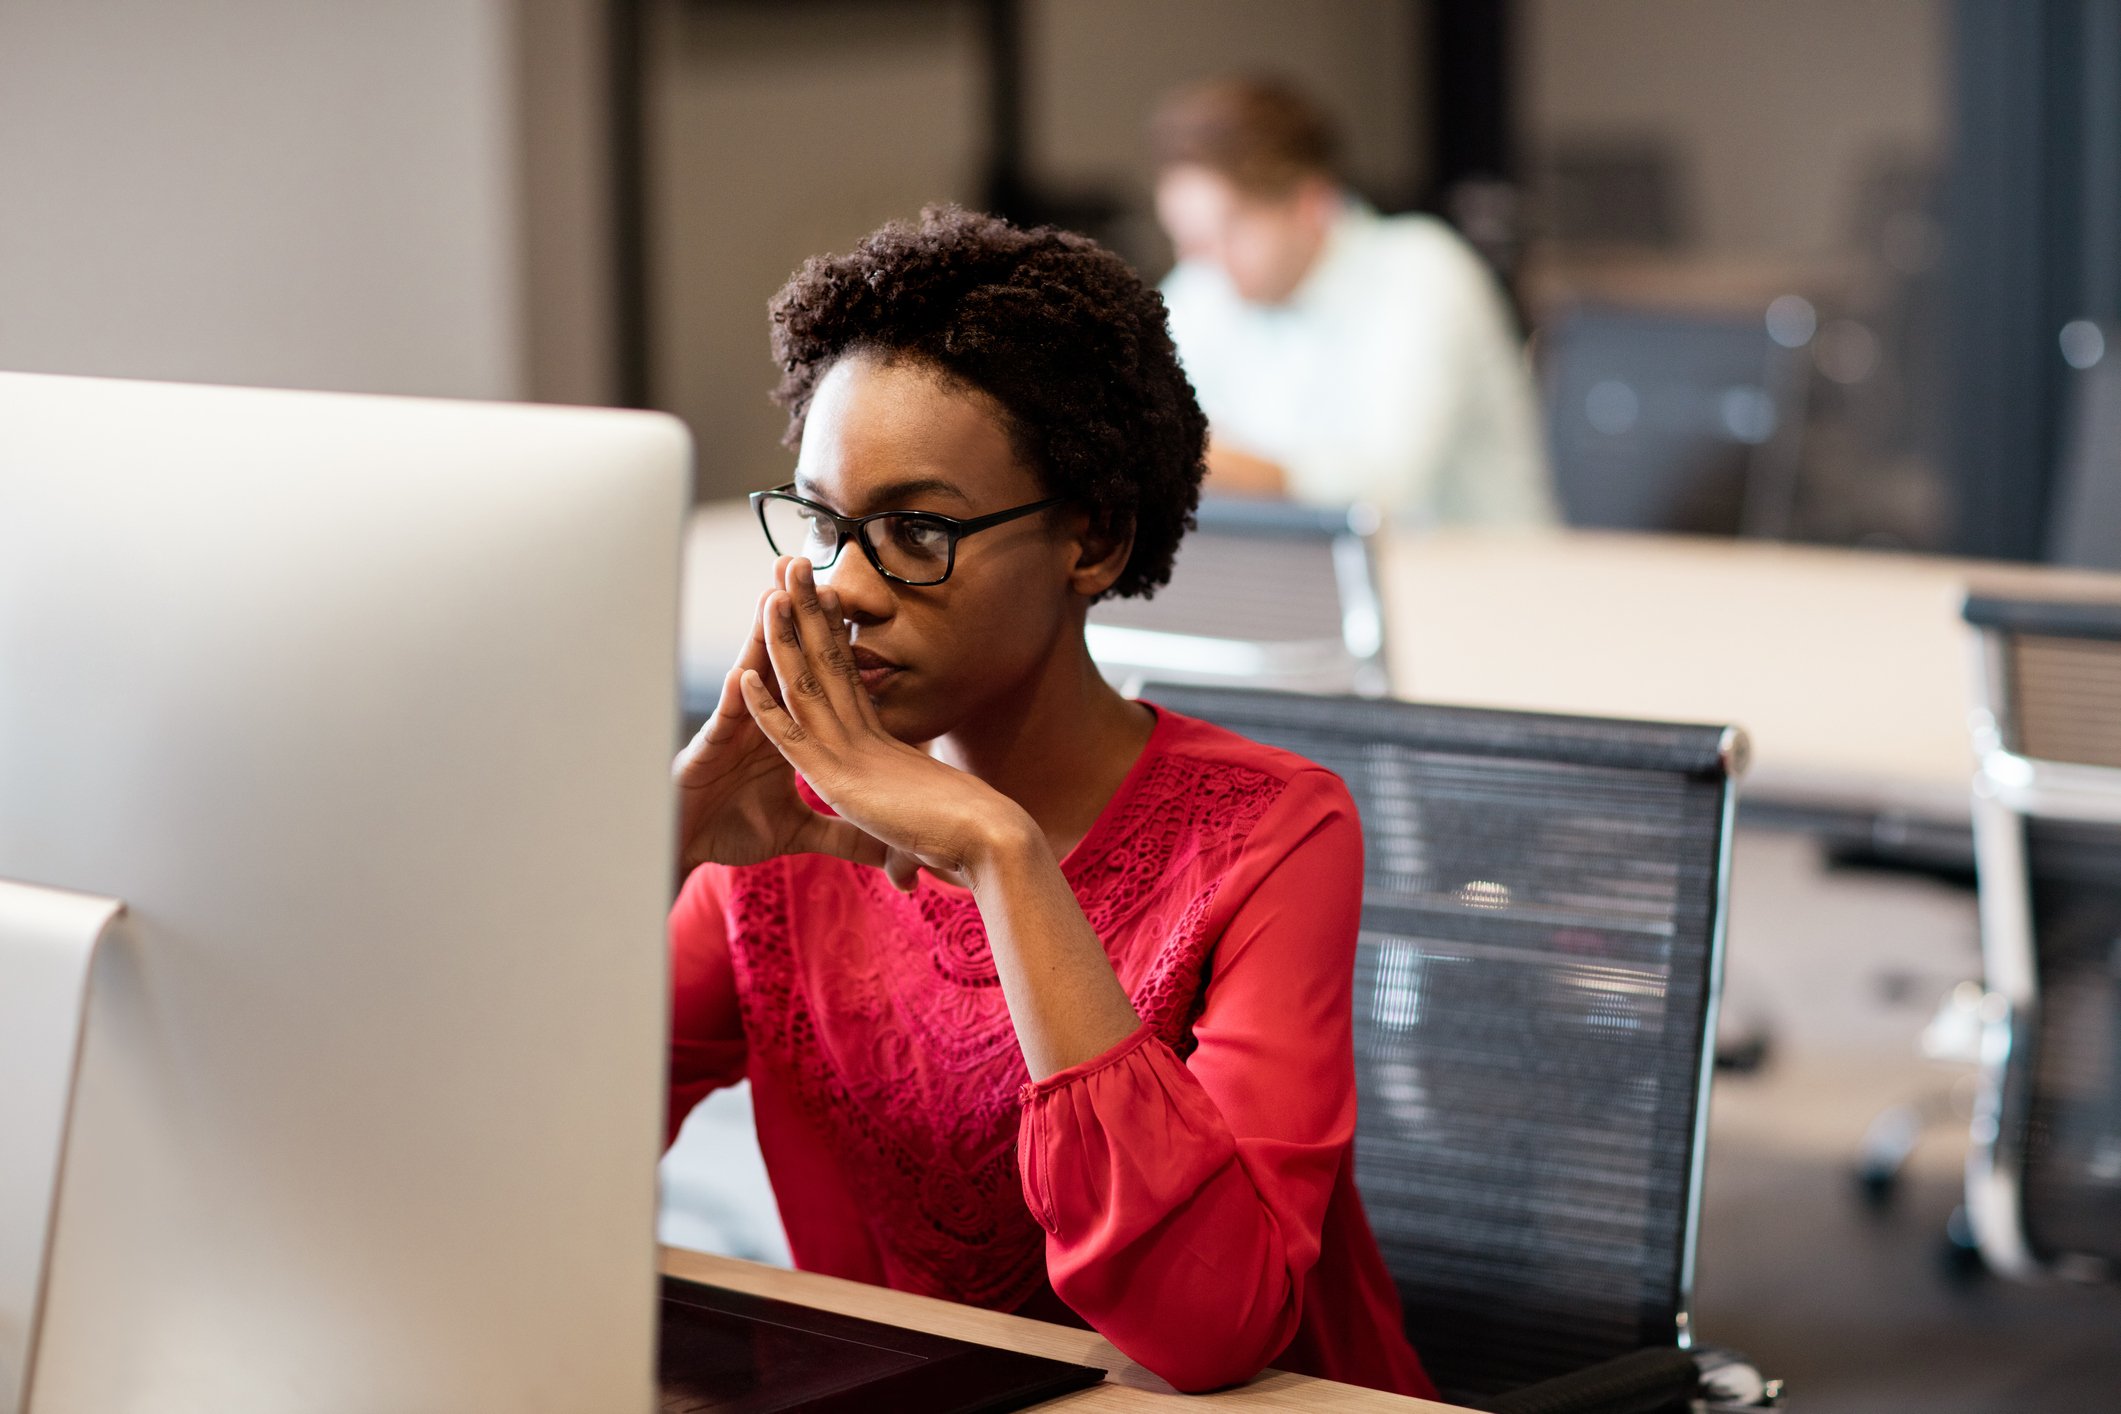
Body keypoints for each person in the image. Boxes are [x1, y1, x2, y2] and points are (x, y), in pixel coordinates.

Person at [665, 206, 1437, 1399]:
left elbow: (1209, 1329)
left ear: (1092, 537)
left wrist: (999, 853)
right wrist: (661, 839)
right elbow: (513, 1159)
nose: (849, 587)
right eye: (824, 522)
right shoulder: (790, 828)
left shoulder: (1273, 836)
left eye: (917, 528)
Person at [1151, 74, 1557, 525]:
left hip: (1479, 581)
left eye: (1229, 232)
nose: (1204, 262)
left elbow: (1384, 487)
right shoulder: (1206, 283)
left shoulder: (1420, 271)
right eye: (1187, 239)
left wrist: (1200, 458)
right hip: (1299, 580)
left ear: (1310, 204)